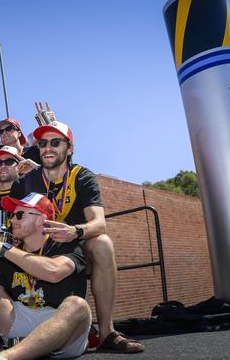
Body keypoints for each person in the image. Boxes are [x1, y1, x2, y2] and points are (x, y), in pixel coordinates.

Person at [10, 121, 145, 353]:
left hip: (73, 248)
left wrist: (75, 231)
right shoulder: (25, 181)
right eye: (42, 143)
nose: (48, 148)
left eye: (55, 142)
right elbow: (13, 222)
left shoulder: (82, 177)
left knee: (102, 242)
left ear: (69, 148)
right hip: (39, 250)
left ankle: (106, 333)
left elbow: (99, 223)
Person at [0, 193, 90, 360]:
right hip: (21, 319)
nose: (12, 220)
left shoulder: (64, 244)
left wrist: (3, 249)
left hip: (61, 329)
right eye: (11, 215)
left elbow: (53, 272)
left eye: (19, 215)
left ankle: (3, 358)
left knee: (78, 305)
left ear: (41, 219)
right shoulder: (12, 250)